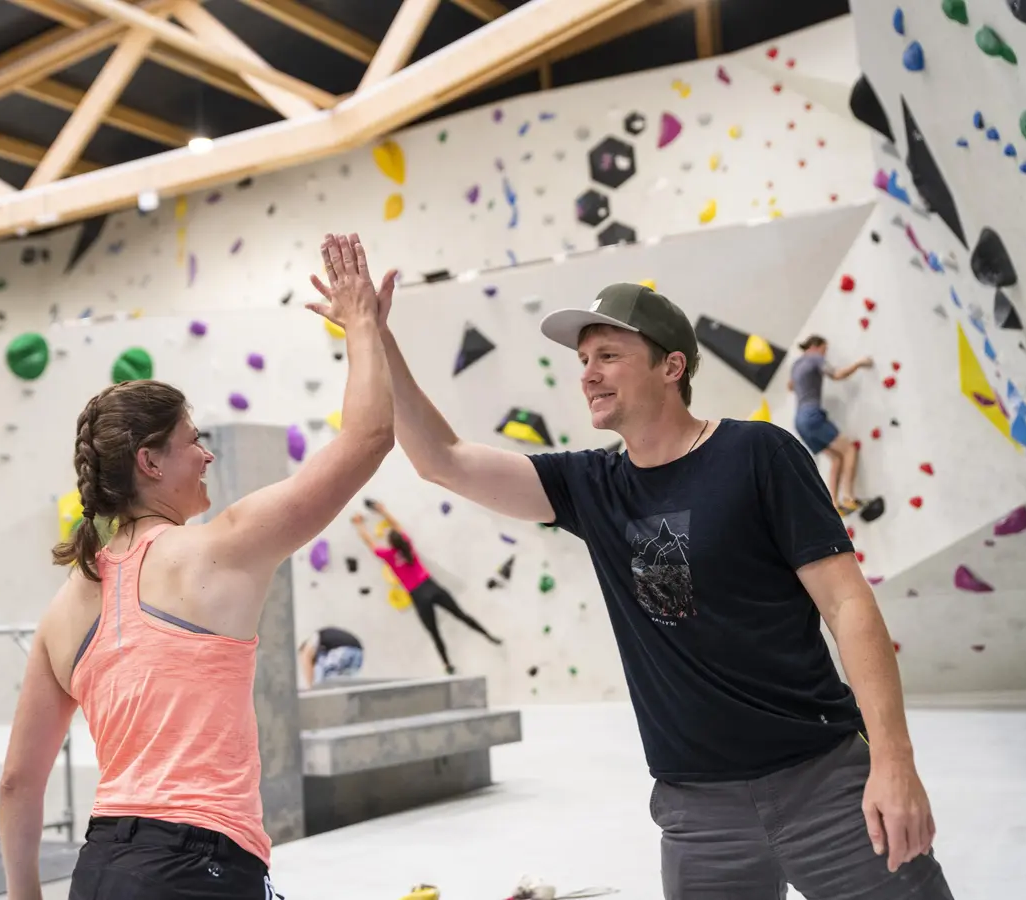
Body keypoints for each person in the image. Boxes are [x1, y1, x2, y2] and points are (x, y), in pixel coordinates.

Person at [308, 262, 951, 899]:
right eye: (583, 359)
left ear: (672, 367)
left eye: (609, 355)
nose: (587, 374)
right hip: (696, 813)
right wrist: (374, 335)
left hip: (823, 782)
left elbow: (846, 604)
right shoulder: (592, 485)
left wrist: (894, 761)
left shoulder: (761, 455)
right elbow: (441, 461)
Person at [0, 232, 395, 900]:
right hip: (197, 868)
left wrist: (24, 896)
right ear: (150, 462)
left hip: (98, 872)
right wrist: (361, 324)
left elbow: (18, 782)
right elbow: (369, 439)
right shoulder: (218, 549)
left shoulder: (64, 609)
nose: (206, 457)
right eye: (193, 442)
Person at [347, 500, 502, 675]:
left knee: (434, 633)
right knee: (461, 615)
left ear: (390, 544)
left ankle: (447, 665)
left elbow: (370, 543)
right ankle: (489, 636)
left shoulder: (389, 555)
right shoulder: (407, 546)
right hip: (431, 586)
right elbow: (397, 526)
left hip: (418, 595)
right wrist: (382, 510)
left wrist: (359, 525)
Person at [789, 335, 875, 516]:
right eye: (824, 349)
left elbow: (791, 386)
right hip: (812, 415)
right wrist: (859, 363)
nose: (825, 352)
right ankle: (849, 498)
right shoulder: (815, 358)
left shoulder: (796, 365)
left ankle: (834, 505)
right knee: (849, 449)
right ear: (815, 346)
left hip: (799, 421)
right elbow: (836, 374)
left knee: (836, 459)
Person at [298, 626, 364, 689]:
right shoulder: (324, 642)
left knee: (323, 676)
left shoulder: (312, 640)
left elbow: (306, 657)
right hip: (358, 654)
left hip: (344, 650)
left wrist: (310, 687)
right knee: (344, 682)